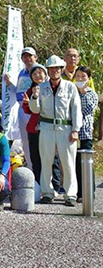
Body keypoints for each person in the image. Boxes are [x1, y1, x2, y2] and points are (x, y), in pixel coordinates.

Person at [29, 55, 82, 206]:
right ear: (48, 70)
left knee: (68, 162)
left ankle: (70, 194)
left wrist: (76, 129)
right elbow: (35, 110)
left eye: (57, 68)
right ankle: (47, 192)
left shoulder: (70, 87)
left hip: (66, 127)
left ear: (61, 69)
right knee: (46, 160)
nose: (55, 71)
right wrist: (34, 96)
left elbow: (76, 109)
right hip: (46, 127)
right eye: (52, 68)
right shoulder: (42, 87)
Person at [4, 47, 38, 173]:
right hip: (21, 109)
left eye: (30, 56)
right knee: (25, 142)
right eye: (25, 56)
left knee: (36, 141)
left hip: (33, 109)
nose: (27, 58)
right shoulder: (22, 73)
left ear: (36, 57)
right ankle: (31, 169)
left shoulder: (39, 71)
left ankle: (39, 170)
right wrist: (9, 83)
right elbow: (18, 91)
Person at [21, 63, 48, 183]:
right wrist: (27, 102)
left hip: (48, 128)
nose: (37, 76)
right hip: (33, 128)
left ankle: (54, 185)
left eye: (40, 72)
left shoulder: (50, 88)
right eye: (34, 74)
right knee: (35, 157)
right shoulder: (30, 89)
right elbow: (27, 110)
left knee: (50, 158)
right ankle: (38, 184)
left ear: (45, 73)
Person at [74, 66, 98, 201]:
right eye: (78, 76)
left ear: (89, 79)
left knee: (87, 163)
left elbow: (87, 110)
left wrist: (82, 93)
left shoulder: (91, 94)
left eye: (83, 77)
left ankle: (90, 191)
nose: (80, 79)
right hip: (73, 132)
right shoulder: (72, 92)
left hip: (85, 132)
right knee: (76, 163)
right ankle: (79, 193)